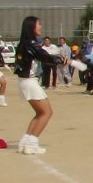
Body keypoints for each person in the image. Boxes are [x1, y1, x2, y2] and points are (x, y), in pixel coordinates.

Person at [13, 16, 69, 154]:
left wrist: (57, 59)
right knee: (47, 112)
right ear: (32, 27)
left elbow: (42, 55)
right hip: (29, 81)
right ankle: (32, 144)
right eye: (38, 24)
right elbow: (43, 56)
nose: (40, 27)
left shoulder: (25, 43)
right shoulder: (30, 43)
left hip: (25, 81)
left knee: (39, 112)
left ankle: (25, 141)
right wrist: (59, 59)